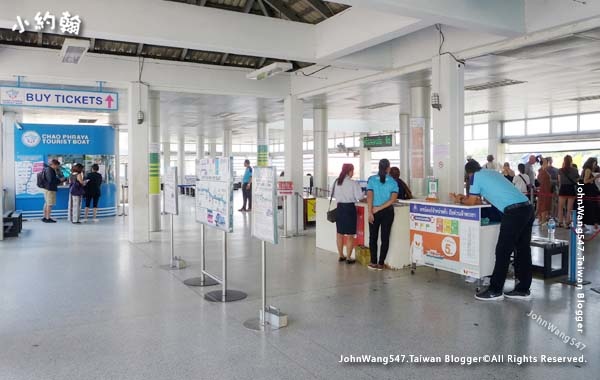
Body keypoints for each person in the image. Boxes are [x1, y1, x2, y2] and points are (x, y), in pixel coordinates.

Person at [450, 160, 533, 301]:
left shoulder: (475, 177)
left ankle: (495, 290)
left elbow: (471, 202)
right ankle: (523, 289)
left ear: (469, 173)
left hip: (513, 212)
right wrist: (468, 199)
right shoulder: (491, 172)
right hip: (527, 208)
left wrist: (459, 200)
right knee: (522, 249)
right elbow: (481, 199)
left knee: (503, 250)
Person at [366, 159, 399, 271]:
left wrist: (370, 211)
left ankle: (373, 262)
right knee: (385, 238)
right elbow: (393, 200)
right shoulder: (393, 182)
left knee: (373, 237)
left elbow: (369, 196)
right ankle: (381, 263)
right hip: (387, 212)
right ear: (388, 168)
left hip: (374, 211)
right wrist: (380, 208)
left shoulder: (371, 180)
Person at [332, 164, 364, 264]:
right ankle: (348, 258)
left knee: (339, 233)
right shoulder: (353, 183)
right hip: (349, 209)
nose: (353, 173)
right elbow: (359, 196)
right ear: (349, 171)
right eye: (353, 170)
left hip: (340, 208)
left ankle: (341, 255)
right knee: (350, 234)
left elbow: (332, 194)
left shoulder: (336, 182)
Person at [557, 155, 579, 228]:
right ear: (571, 161)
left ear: (564, 161)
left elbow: (559, 181)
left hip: (563, 188)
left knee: (560, 207)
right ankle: (567, 222)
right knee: (569, 208)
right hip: (571, 189)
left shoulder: (560, 170)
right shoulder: (575, 170)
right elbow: (577, 180)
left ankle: (560, 222)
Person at [581, 157, 600, 232]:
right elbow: (585, 181)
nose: (595, 165)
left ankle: (592, 224)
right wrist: (595, 177)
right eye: (594, 163)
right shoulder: (588, 170)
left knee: (592, 207)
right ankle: (591, 224)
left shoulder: (587, 170)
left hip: (590, 191)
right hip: (589, 191)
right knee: (591, 207)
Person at [536, 158, 552, 224]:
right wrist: (541, 158)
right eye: (546, 163)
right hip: (544, 190)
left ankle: (541, 220)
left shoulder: (542, 171)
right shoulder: (542, 170)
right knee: (544, 205)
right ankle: (543, 220)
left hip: (545, 189)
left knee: (542, 204)